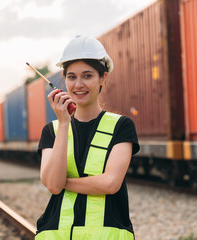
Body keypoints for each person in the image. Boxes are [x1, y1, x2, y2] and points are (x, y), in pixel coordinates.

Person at [35, 35, 140, 240]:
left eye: (87, 76)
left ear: (103, 78)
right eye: (71, 77)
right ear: (64, 81)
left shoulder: (121, 126)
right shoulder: (53, 130)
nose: (78, 84)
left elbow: (110, 184)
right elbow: (53, 186)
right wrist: (65, 122)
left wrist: (62, 181)